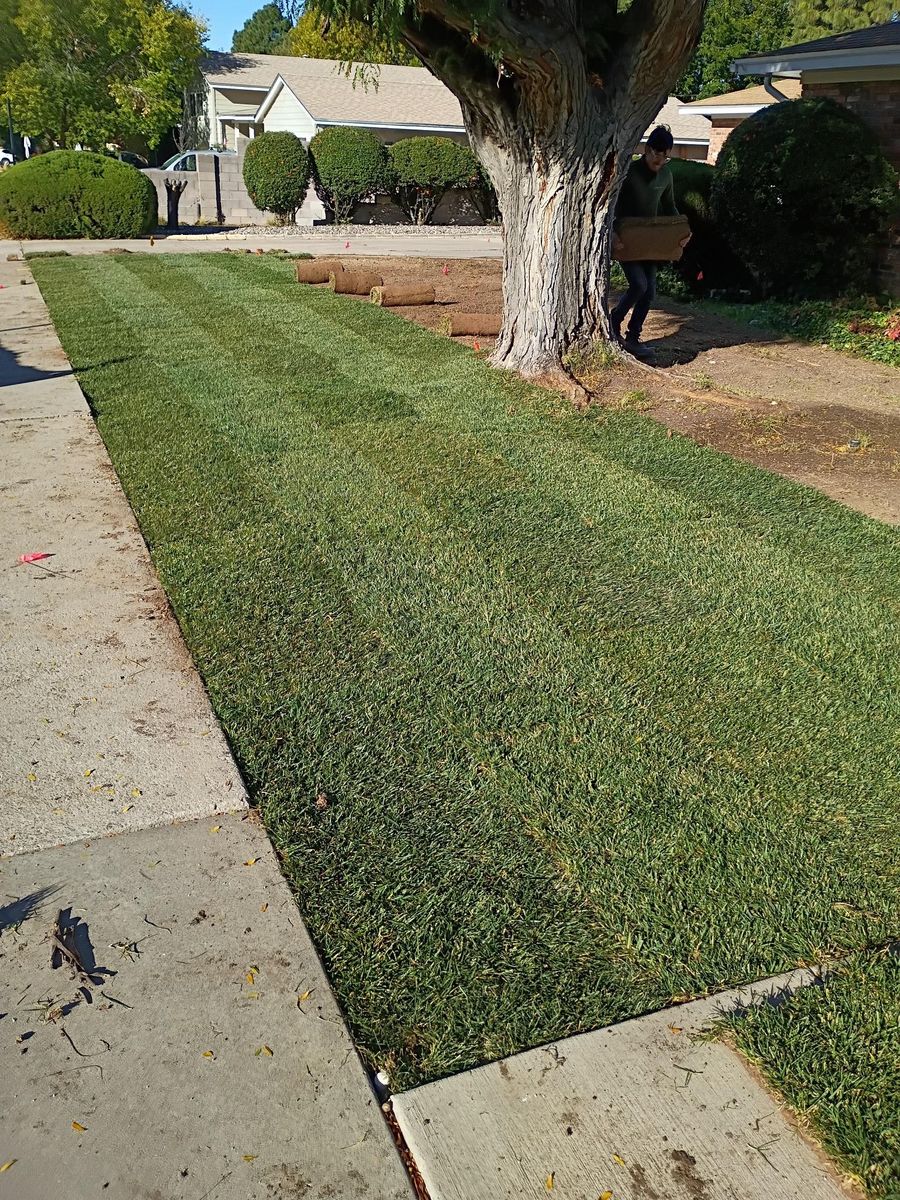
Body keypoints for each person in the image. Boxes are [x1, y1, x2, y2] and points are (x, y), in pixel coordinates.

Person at [610, 125, 684, 363]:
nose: (660, 160)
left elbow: (670, 207)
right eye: (656, 154)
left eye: (665, 155)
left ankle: (633, 337)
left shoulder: (666, 175)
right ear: (647, 150)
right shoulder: (629, 172)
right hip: (627, 240)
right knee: (639, 285)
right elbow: (611, 204)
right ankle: (614, 321)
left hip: (650, 242)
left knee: (649, 291)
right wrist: (612, 232)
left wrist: (681, 230)